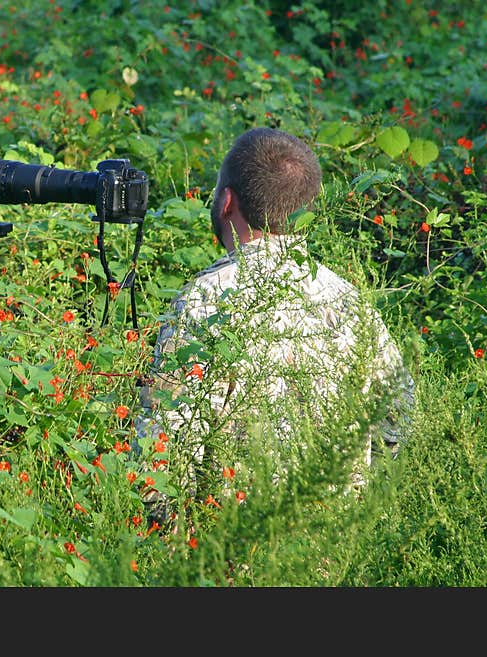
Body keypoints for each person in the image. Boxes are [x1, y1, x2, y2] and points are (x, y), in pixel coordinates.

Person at [135, 127, 414, 525]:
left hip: (230, 555)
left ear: (227, 201)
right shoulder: (353, 304)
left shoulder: (202, 301)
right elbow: (398, 429)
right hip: (331, 558)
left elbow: (160, 457)